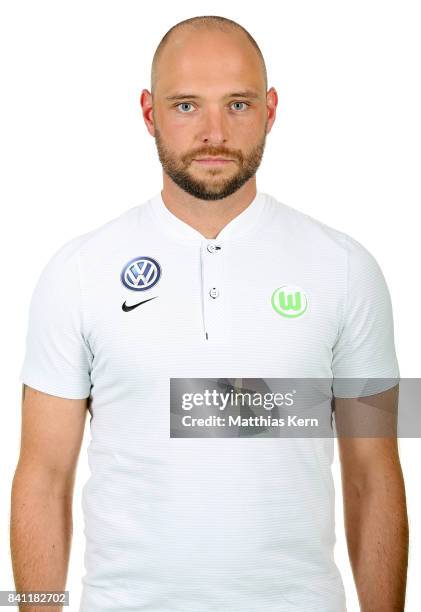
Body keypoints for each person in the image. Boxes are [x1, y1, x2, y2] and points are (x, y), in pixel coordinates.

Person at [11, 14, 408, 612]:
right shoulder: (79, 272)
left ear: (271, 109)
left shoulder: (346, 269)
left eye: (239, 104)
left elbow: (373, 473)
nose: (215, 132)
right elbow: (43, 476)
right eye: (187, 106)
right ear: (150, 114)